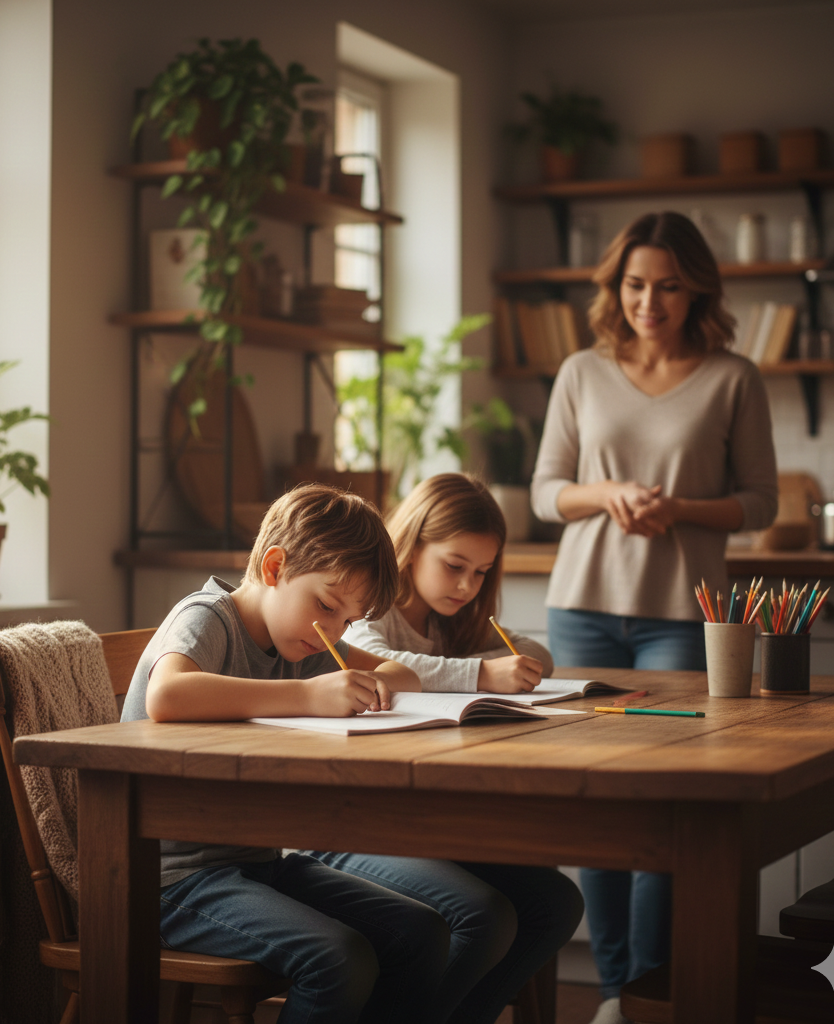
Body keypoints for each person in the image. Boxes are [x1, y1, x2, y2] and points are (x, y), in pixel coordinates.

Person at [530, 211, 778, 1024]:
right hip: (581, 613)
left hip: (684, 616)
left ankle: (650, 991)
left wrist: (678, 510)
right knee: (601, 810)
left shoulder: (735, 376)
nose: (650, 301)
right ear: (616, 288)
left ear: (697, 287)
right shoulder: (580, 370)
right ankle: (609, 998)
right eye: (636, 284)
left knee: (669, 811)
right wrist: (607, 495)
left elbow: (761, 502)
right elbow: (544, 492)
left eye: (669, 285)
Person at [122, 483, 449, 1024]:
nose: (334, 633)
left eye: (349, 620)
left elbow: (400, 670)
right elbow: (168, 694)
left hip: (254, 864)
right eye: (326, 605)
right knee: (337, 959)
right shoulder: (208, 617)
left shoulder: (303, 639)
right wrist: (307, 696)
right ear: (275, 568)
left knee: (422, 933)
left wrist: (375, 681)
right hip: (171, 879)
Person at [313, 472, 585, 1024]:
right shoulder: (369, 609)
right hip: (350, 819)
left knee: (557, 903)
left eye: (481, 574)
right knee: (486, 916)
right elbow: (384, 667)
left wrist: (511, 662)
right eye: (454, 565)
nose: (466, 586)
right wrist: (483, 672)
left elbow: (534, 651)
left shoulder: (453, 623)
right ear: (411, 547)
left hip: (425, 813)